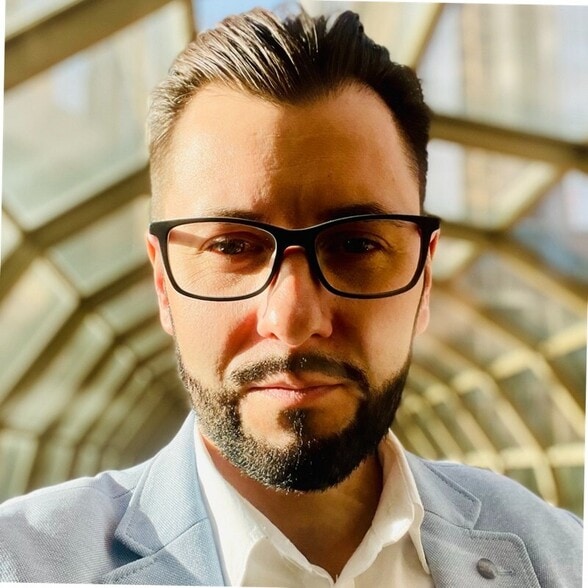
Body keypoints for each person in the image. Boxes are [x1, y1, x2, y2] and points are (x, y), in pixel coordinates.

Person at [0, 7, 582, 587]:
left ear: (424, 278)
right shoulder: (25, 566)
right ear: (163, 284)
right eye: (233, 247)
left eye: (355, 244)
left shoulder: (559, 556)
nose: (293, 317)